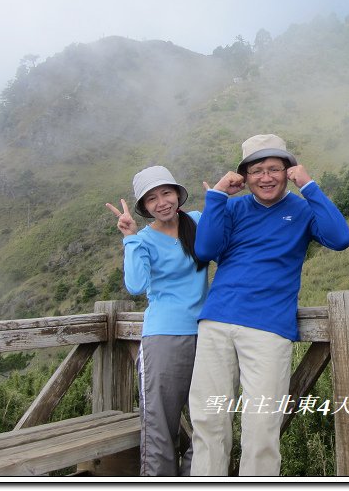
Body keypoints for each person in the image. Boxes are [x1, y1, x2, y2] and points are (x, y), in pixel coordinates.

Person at [188, 134, 349, 476]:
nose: (266, 177)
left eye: (274, 168)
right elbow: (204, 250)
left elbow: (340, 238)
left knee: (261, 425)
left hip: (268, 328)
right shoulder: (232, 207)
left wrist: (308, 185)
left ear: (287, 171)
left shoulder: (303, 209)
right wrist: (216, 196)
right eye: (257, 170)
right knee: (208, 419)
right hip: (216, 322)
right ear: (245, 176)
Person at [105, 166, 209, 476]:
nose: (161, 202)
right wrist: (130, 238)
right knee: (160, 424)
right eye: (151, 199)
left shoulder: (198, 222)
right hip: (164, 337)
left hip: (207, 333)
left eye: (166, 192)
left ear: (177, 193)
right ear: (144, 207)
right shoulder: (145, 240)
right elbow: (136, 286)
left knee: (210, 419)